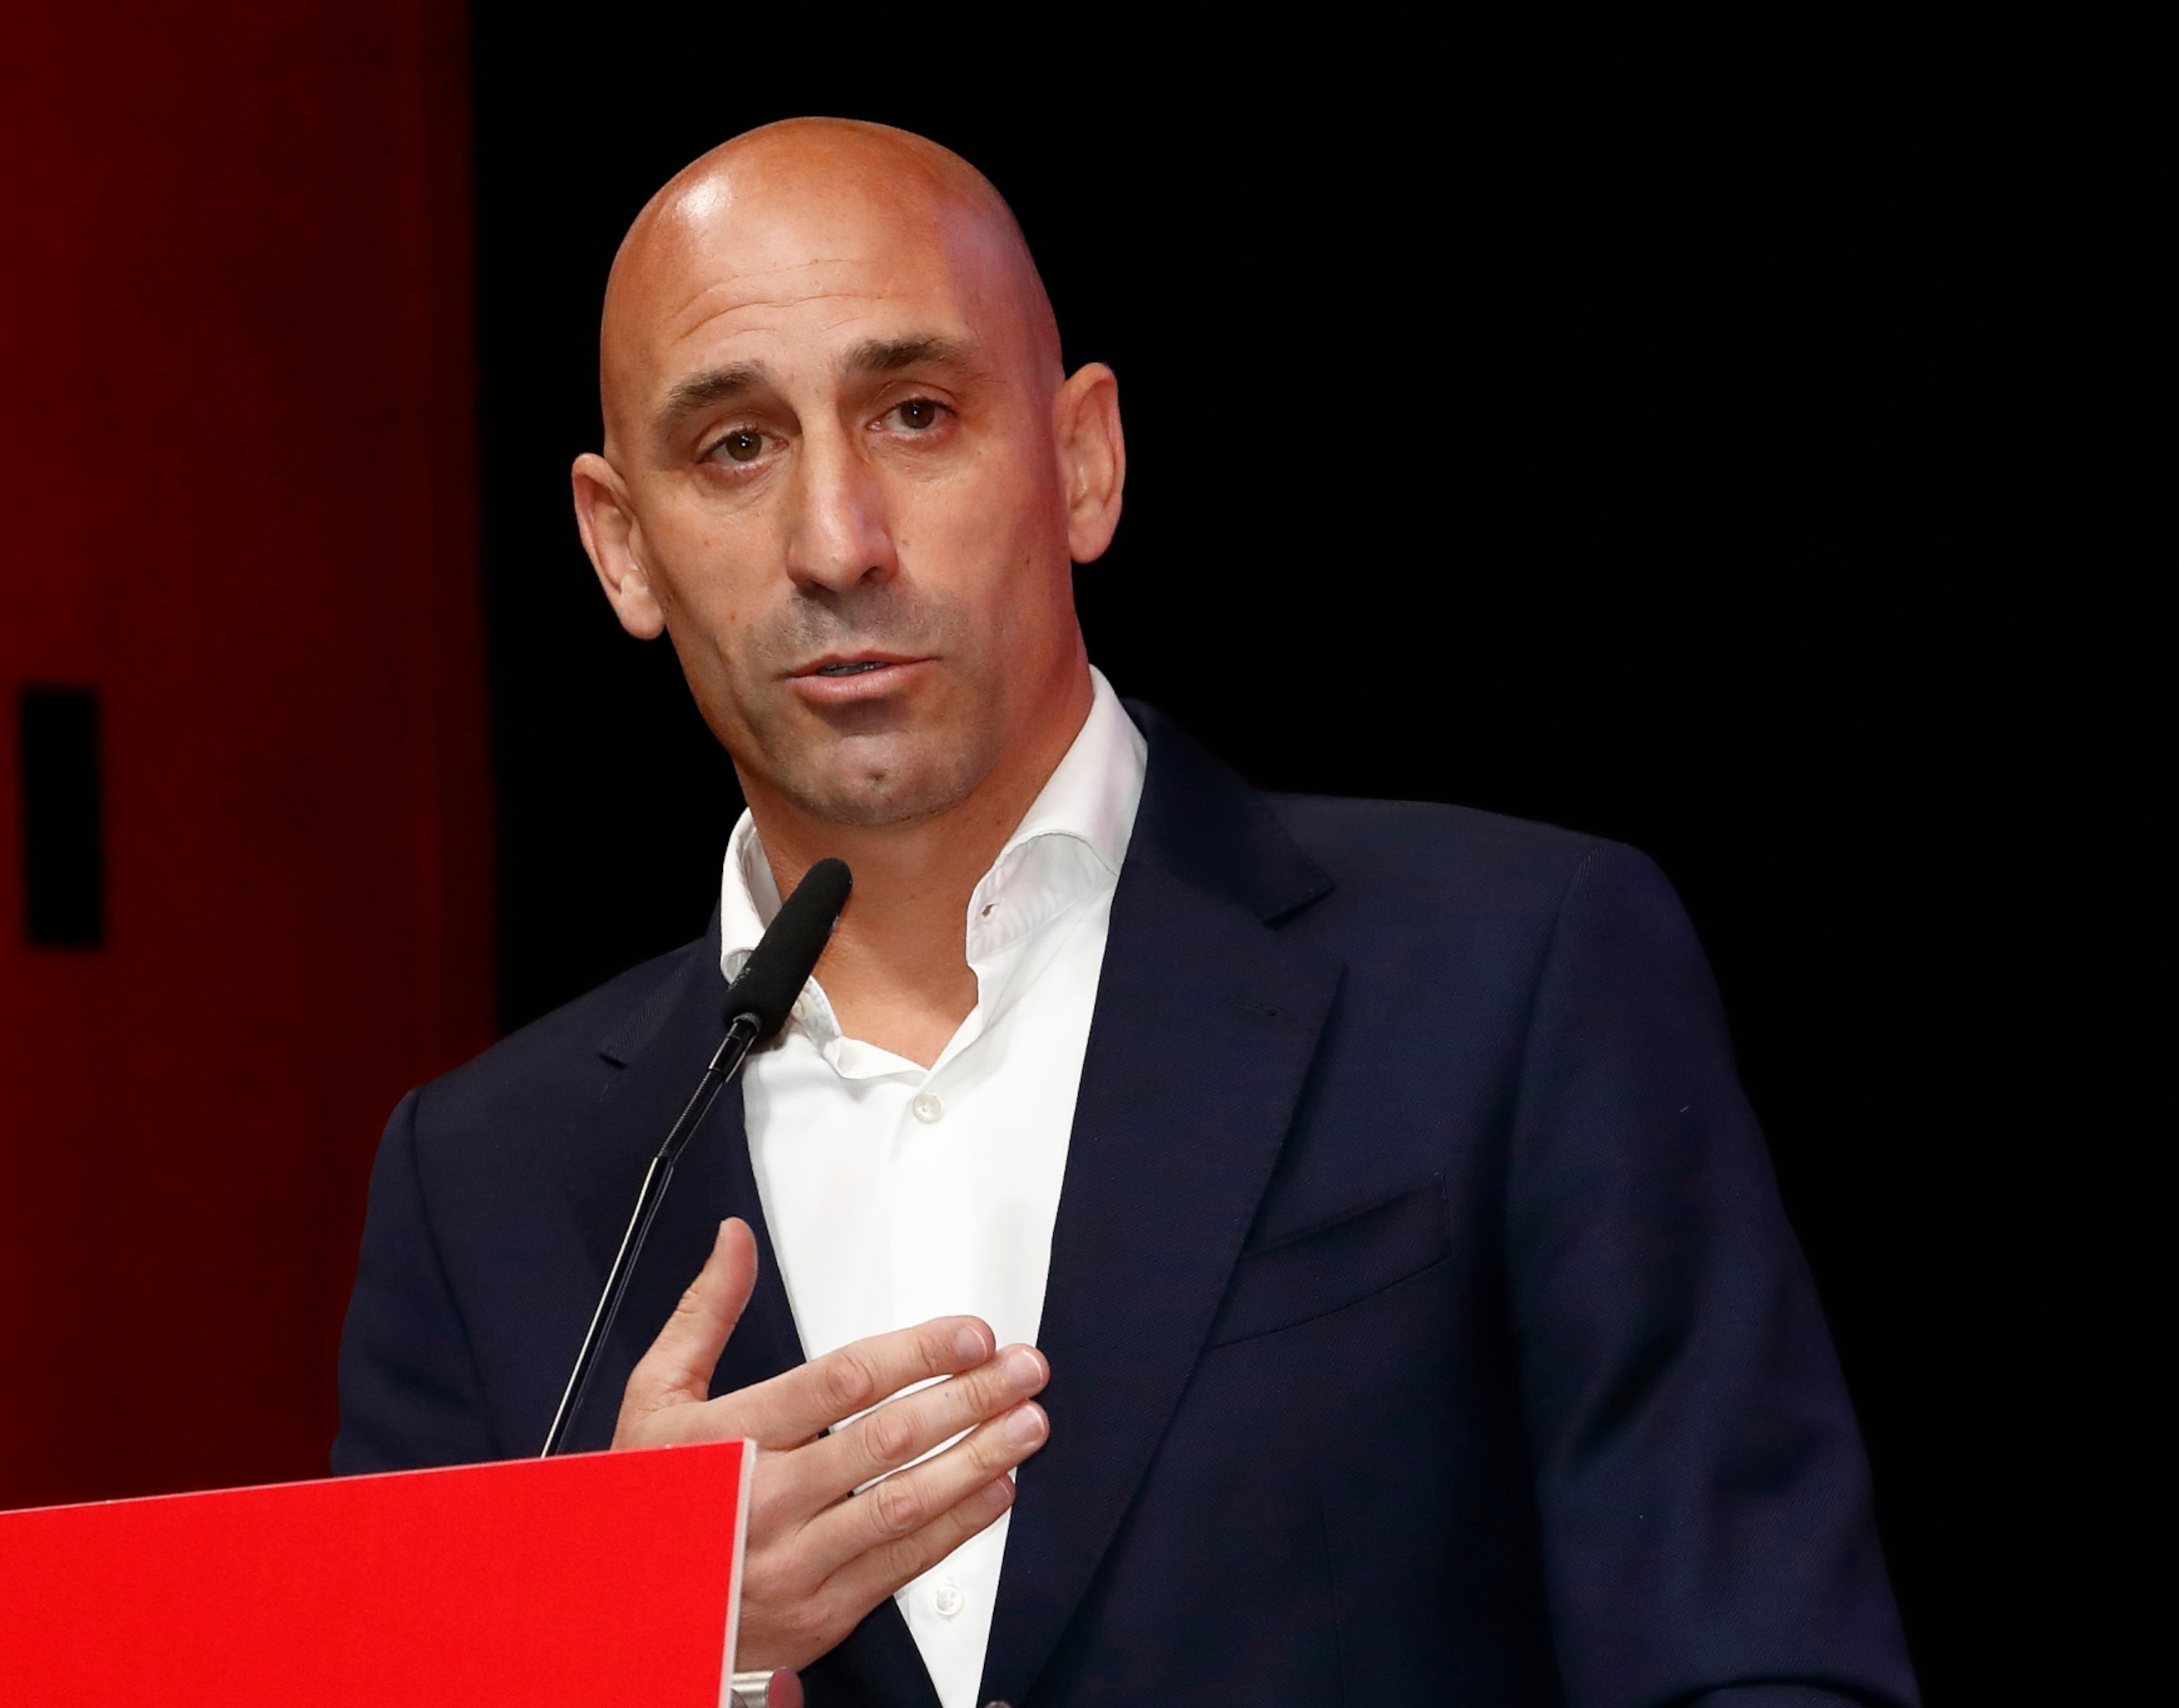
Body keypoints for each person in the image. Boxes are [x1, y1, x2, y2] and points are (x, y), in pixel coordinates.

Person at [333, 118, 1917, 1708]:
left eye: (917, 413)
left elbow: (1767, 1671)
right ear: (623, 547)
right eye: (737, 447)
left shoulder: (1513, 974)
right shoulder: (483, 1192)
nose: (837, 543)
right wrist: (631, 1640)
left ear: (1081, 459)